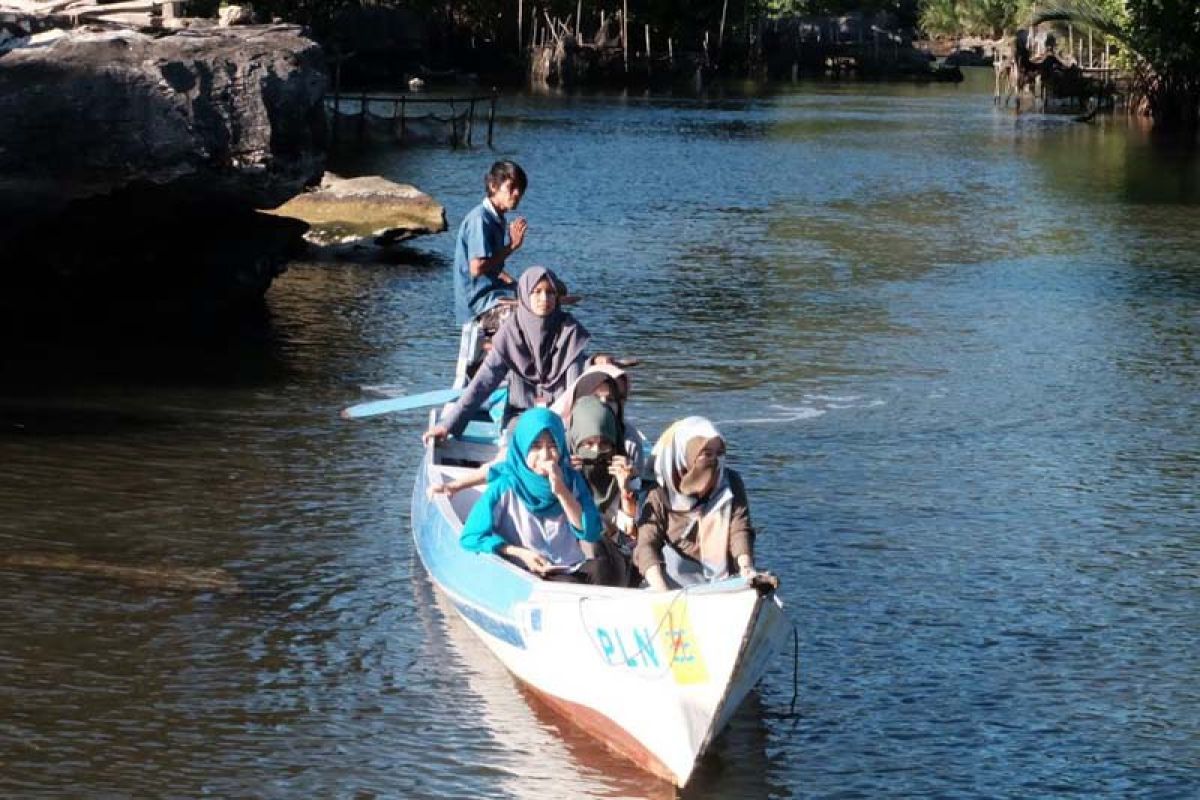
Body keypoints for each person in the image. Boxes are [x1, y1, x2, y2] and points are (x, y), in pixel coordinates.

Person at [425, 266, 591, 443]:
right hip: (520, 417)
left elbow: (575, 392)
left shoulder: (570, 332)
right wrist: (447, 425)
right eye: (537, 292)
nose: (544, 298)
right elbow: (482, 384)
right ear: (525, 296)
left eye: (550, 292)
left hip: (559, 419)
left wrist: (574, 434)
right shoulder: (510, 334)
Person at [459, 408, 620, 585]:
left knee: (604, 569)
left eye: (552, 446)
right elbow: (471, 537)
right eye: (535, 447)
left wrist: (561, 492)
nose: (545, 455)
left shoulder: (572, 480)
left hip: (567, 568)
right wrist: (519, 553)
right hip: (521, 573)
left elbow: (590, 532)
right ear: (522, 448)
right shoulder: (506, 485)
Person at [634, 417, 758, 591]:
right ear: (685, 455)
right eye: (706, 454)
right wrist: (662, 592)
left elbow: (739, 529)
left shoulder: (731, 482)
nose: (714, 460)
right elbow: (646, 545)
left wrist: (746, 568)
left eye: (719, 453)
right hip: (671, 586)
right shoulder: (659, 492)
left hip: (725, 581)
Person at [454, 160, 528, 329]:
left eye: (521, 189)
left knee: (544, 296)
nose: (517, 193)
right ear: (493, 186)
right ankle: (497, 349)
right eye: (512, 187)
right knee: (529, 317)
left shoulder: (496, 218)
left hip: (492, 296)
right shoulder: (480, 219)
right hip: (479, 306)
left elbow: (489, 265)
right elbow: (477, 268)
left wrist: (509, 280)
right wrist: (511, 246)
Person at [566, 396, 639, 552]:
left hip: (616, 554)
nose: (596, 452)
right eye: (588, 444)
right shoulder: (562, 474)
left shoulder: (626, 475)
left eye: (604, 443)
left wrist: (625, 489)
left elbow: (633, 535)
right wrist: (565, 482)